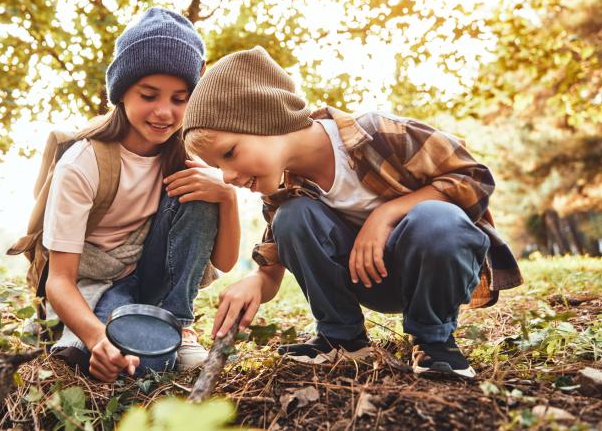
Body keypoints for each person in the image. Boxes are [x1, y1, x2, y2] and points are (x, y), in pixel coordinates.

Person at [181, 46, 523, 378]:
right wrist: (255, 282)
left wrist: (385, 214)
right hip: (368, 281)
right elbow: (272, 269)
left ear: (267, 119)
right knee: (293, 216)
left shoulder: (380, 134)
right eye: (216, 166)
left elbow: (473, 178)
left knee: (438, 219)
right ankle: (343, 338)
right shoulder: (283, 192)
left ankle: (434, 342)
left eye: (229, 153)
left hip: (432, 268)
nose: (226, 176)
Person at [42, 8, 240, 382]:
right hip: (98, 282)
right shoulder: (83, 164)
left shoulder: (186, 158)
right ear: (122, 92)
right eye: (149, 95)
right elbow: (59, 279)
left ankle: (178, 324)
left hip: (152, 273)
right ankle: (108, 329)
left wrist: (226, 195)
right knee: (131, 365)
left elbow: (226, 262)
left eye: (180, 99)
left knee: (201, 190)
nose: (164, 112)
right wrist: (98, 339)